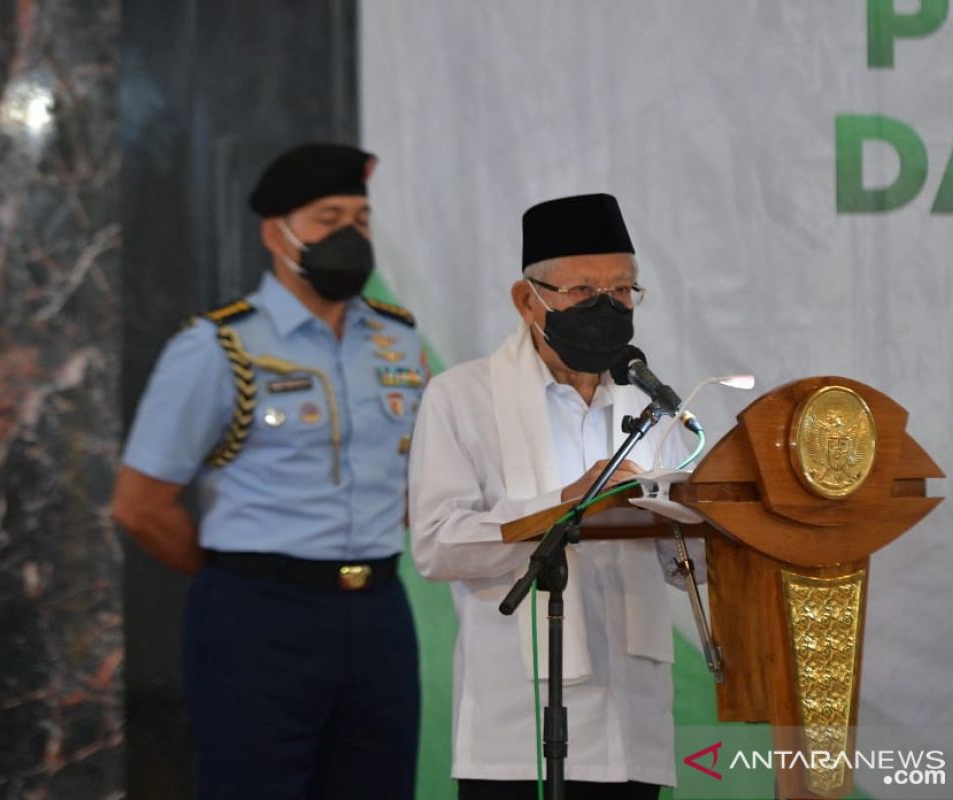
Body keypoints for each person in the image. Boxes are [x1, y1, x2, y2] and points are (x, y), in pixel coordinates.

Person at [111, 143, 423, 799]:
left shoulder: (398, 341)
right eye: (327, 216)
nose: (348, 234)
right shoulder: (218, 347)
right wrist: (238, 577)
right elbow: (140, 505)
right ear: (274, 232)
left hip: (379, 616)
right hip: (259, 619)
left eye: (361, 219)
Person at [408, 193, 689, 800]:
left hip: (633, 724)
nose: (606, 307)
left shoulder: (653, 407)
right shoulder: (462, 397)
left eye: (621, 292)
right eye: (582, 292)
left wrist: (699, 526)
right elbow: (436, 546)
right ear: (526, 299)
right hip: (514, 731)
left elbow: (682, 565)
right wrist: (564, 503)